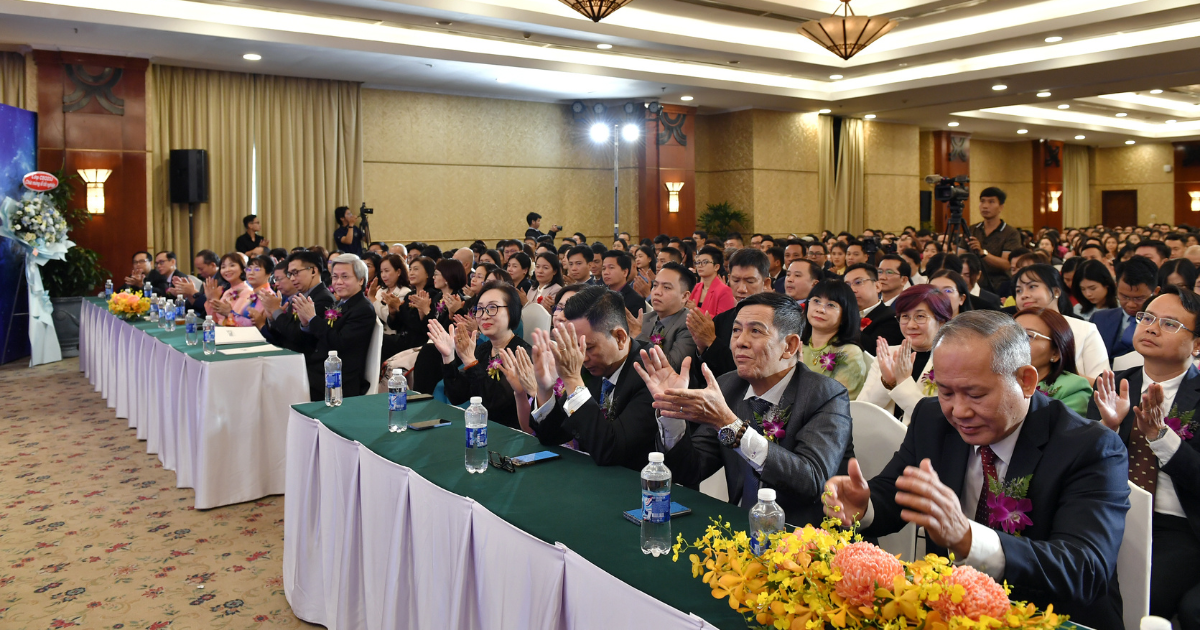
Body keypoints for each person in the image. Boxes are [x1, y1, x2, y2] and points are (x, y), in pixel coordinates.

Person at [825, 310, 1129, 630]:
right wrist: (865, 505)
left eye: (976, 394)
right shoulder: (933, 420)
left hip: (1048, 618)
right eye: (945, 392)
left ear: (1026, 381)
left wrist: (968, 539)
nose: (959, 411)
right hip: (951, 613)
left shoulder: (1089, 447)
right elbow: (897, 491)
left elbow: (1084, 568)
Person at [636, 292, 853, 526]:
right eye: (736, 330)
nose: (740, 341)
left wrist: (730, 426)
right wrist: (671, 412)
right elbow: (690, 470)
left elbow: (812, 481)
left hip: (804, 535)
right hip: (740, 527)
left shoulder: (826, 395)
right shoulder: (729, 386)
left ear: (790, 346)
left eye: (756, 331)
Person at [1091, 285, 1200, 629]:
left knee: (1137, 599)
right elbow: (1084, 467)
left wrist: (1160, 437)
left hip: (1177, 525)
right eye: (1148, 318)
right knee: (1077, 582)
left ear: (1197, 345)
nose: (1152, 328)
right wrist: (1108, 428)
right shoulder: (1112, 384)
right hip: (1111, 513)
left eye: (1169, 324)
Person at [516, 287, 657, 469]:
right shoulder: (590, 366)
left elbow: (610, 451)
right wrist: (544, 389)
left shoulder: (650, 374)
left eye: (588, 348)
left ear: (620, 337)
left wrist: (572, 380)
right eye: (574, 348)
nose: (581, 358)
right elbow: (552, 436)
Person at [428, 281, 531, 430]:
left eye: (492, 308)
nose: (484, 315)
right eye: (480, 309)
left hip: (509, 434)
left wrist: (470, 361)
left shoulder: (522, 353)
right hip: (479, 428)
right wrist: (448, 357)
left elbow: (492, 404)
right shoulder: (484, 349)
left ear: (512, 311)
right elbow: (457, 396)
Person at [859, 285, 954, 425]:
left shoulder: (952, 361)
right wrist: (887, 382)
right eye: (905, 317)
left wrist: (903, 382)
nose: (910, 325)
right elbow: (862, 412)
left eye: (920, 316)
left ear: (942, 321)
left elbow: (937, 420)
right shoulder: (888, 355)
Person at [292, 254, 378, 402]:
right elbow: (321, 336)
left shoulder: (363, 309)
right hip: (322, 369)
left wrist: (313, 318)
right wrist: (306, 324)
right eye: (335, 277)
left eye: (345, 277)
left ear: (361, 280)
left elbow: (339, 343)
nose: (338, 282)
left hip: (339, 378)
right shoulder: (341, 303)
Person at [1012, 264, 1109, 381]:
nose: (1024, 295)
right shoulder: (1009, 331)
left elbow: (1101, 383)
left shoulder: (1084, 329)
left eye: (1032, 286)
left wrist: (1056, 372)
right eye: (1019, 290)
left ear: (1056, 291)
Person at [687, 248, 770, 379]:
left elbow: (746, 373)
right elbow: (700, 375)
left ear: (766, 283)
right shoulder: (721, 319)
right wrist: (702, 348)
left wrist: (711, 342)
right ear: (729, 279)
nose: (741, 289)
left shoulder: (774, 321)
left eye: (750, 281)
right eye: (736, 281)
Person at [1014, 307, 1093, 414]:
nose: (1013, 342)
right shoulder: (996, 379)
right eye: (1011, 334)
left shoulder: (1073, 388)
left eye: (1028, 336)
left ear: (1055, 353)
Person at [801, 280, 867, 399]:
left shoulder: (848, 353)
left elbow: (839, 403)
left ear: (845, 315)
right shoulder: (796, 345)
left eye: (831, 305)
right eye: (816, 301)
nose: (820, 309)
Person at [630, 262, 697, 371]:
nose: (657, 292)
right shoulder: (646, 318)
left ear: (684, 296)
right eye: (655, 285)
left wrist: (638, 335)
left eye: (666, 287)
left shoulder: (690, 324)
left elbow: (672, 367)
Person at [1090, 256, 1158, 362]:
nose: (1131, 304)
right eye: (1124, 297)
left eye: (1139, 298)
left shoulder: (1163, 327)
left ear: (1155, 292)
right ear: (1116, 287)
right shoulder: (1099, 319)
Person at [964, 187, 1023, 294]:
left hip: (999, 287)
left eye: (991, 202)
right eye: (982, 201)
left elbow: (1007, 264)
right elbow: (960, 257)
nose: (985, 206)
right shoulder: (971, 230)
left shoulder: (1010, 233)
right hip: (972, 286)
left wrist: (983, 253)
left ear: (1001, 207)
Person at [843, 263, 904, 355]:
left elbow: (874, 352)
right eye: (847, 285)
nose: (852, 290)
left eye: (858, 282)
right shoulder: (843, 315)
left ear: (877, 286)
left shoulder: (891, 319)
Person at [203, 253, 256, 326]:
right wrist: (211, 299)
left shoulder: (248, 292)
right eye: (223, 267)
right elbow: (214, 320)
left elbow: (244, 323)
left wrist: (229, 313)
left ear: (242, 269)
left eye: (232, 265)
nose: (227, 270)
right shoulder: (227, 292)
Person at [691, 245, 735, 318]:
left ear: (716, 267)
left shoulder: (725, 291)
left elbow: (723, 320)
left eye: (705, 262)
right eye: (698, 262)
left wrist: (695, 309)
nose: (700, 265)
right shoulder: (696, 287)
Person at [600, 251, 646, 316]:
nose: (606, 272)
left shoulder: (635, 301)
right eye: (603, 268)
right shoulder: (600, 295)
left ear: (625, 272)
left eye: (611, 268)